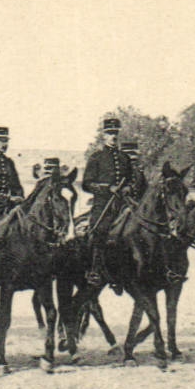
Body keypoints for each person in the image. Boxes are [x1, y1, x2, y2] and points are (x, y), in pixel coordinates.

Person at [82, 116, 130, 284]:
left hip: (123, 205)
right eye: (110, 133)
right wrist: (107, 188)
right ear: (103, 135)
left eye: (115, 133)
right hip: (103, 206)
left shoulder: (125, 158)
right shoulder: (96, 157)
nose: (113, 136)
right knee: (99, 232)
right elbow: (86, 184)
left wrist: (127, 187)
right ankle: (94, 270)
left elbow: (131, 180)